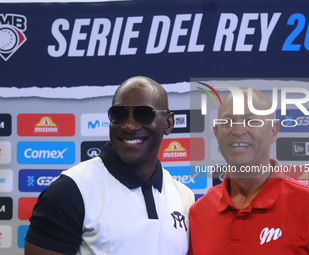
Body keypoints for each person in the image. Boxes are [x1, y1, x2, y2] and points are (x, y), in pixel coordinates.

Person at [24, 76, 195, 255]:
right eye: (119, 115)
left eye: (144, 114)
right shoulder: (70, 190)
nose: (129, 126)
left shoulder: (184, 197)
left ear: (169, 123)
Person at [189, 87, 309, 255]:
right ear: (217, 133)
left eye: (252, 121)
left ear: (273, 132)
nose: (238, 131)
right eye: (228, 122)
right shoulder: (198, 212)